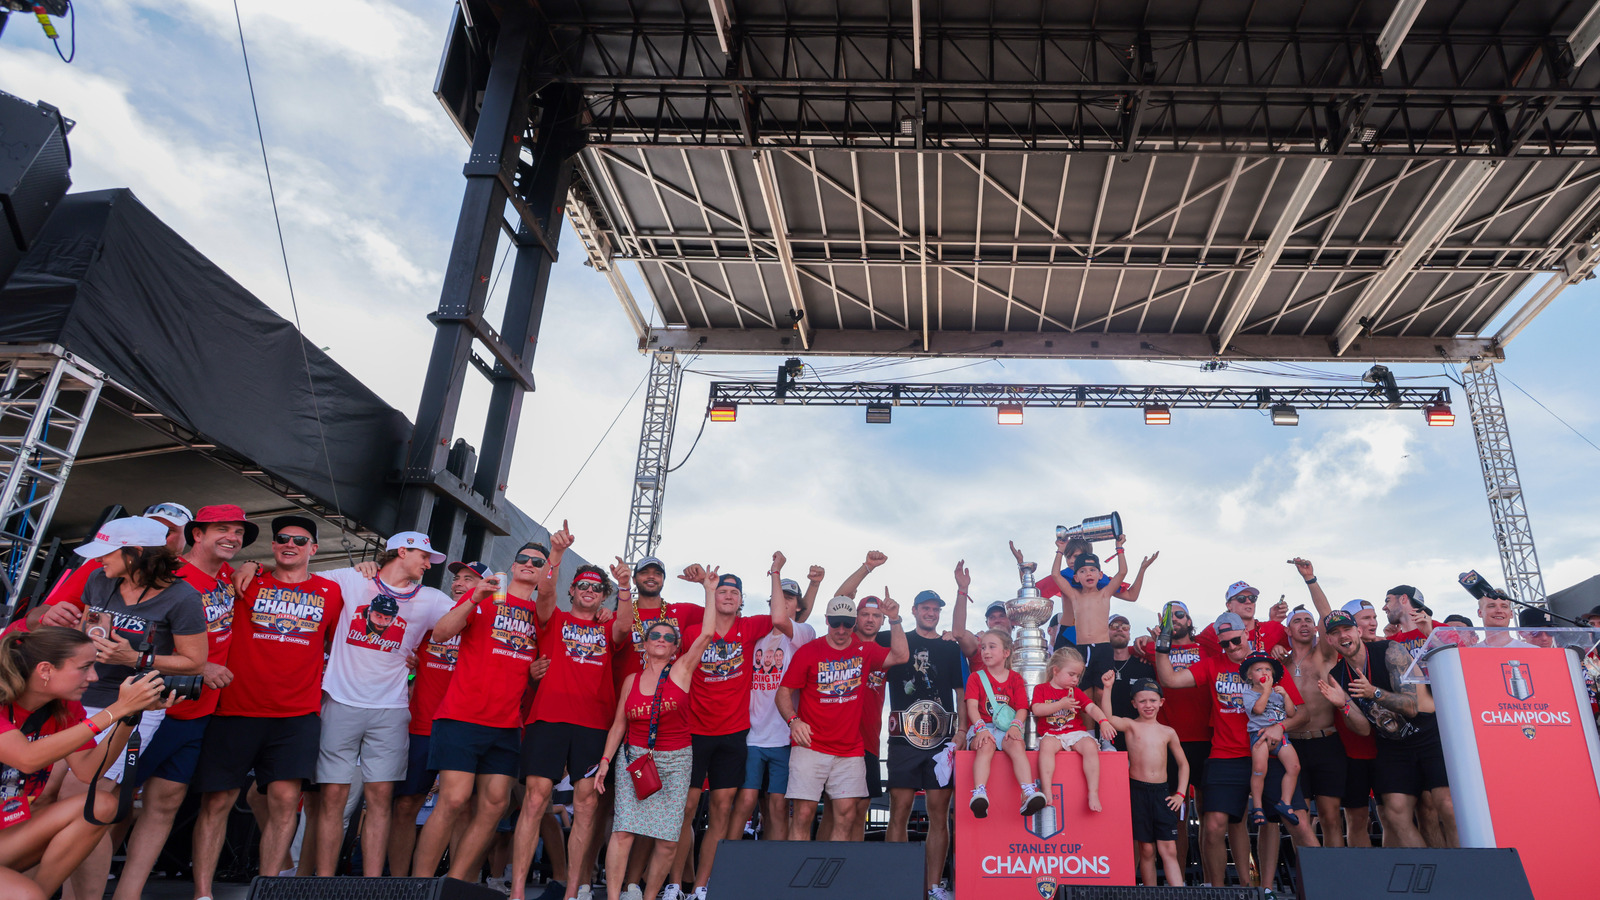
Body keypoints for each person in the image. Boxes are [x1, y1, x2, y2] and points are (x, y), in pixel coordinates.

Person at [250, 529, 454, 877]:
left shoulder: (433, 599)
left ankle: (371, 886)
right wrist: (254, 565)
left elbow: (465, 626)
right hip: (340, 702)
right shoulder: (349, 579)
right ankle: (324, 882)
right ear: (401, 552)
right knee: (331, 799)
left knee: (379, 802)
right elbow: (294, 576)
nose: (428, 564)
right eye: (424, 556)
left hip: (390, 710)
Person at [50, 516, 207, 900]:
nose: (98, 560)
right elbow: (87, 630)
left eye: (106, 553)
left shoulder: (183, 597)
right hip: (76, 698)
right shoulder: (99, 579)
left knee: (82, 802)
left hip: (133, 704)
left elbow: (195, 662)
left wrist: (137, 656)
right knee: (46, 796)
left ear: (136, 554)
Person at [189, 515, 343, 899]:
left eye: (299, 539)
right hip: (236, 709)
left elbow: (344, 643)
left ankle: (268, 888)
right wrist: (250, 564)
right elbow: (203, 564)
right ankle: (203, 893)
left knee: (286, 801)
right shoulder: (244, 580)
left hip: (296, 715)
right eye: (282, 539)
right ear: (273, 546)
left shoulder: (331, 591)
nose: (289, 544)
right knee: (218, 801)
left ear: (314, 549)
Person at [114, 504, 254, 900]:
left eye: (239, 533)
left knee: (165, 805)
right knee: (112, 807)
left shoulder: (228, 575)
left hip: (197, 715)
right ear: (197, 534)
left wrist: (252, 566)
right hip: (152, 709)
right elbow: (137, 632)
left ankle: (129, 894)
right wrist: (200, 663)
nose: (232, 538)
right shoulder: (168, 575)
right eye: (222, 529)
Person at [413, 541, 554, 883]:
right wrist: (474, 598)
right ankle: (419, 885)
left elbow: (537, 668)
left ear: (544, 573)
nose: (529, 564)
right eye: (523, 558)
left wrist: (534, 677)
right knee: (454, 799)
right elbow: (442, 635)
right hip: (463, 714)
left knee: (493, 807)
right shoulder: (485, 596)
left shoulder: (541, 615)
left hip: (506, 723)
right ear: (513, 563)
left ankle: (456, 884)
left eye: (538, 562)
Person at [0, 628, 170, 900]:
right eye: (85, 668)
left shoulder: (61, 708)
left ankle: (39, 893)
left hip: (8, 835)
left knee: (100, 805)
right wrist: (114, 710)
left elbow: (89, 771)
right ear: (45, 670)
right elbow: (26, 758)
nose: (93, 677)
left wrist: (128, 716)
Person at [1153, 612, 1318, 891]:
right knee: (1214, 824)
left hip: (1270, 751)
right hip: (1226, 754)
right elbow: (1169, 679)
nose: (1231, 647)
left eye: (1236, 640)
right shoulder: (1213, 664)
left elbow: (1302, 714)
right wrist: (1162, 646)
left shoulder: (1270, 665)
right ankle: (1219, 892)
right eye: (1225, 643)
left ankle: (1327, 889)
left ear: (1247, 634)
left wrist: (1281, 726)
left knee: (1299, 823)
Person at [670, 556, 796, 900]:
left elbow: (778, 617)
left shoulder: (751, 627)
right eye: (722, 591)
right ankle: (674, 884)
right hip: (694, 731)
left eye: (733, 592)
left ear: (742, 600)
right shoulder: (695, 632)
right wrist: (704, 588)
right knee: (686, 810)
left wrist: (774, 572)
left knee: (722, 811)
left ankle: (701, 887)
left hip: (734, 733)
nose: (727, 596)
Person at [512, 525, 617, 900]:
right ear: (572, 590)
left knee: (587, 805)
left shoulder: (609, 627)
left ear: (604, 596)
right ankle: (519, 891)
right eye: (583, 586)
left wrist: (624, 588)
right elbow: (544, 591)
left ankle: (573, 892)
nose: (588, 591)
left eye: (596, 588)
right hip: (548, 718)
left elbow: (627, 627)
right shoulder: (553, 619)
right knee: (536, 799)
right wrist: (555, 554)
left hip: (593, 725)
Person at [595, 616, 714, 900]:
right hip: (635, 760)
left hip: (676, 761)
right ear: (645, 644)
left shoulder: (682, 670)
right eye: (655, 635)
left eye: (669, 637)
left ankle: (649, 897)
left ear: (676, 648)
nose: (662, 639)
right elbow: (619, 725)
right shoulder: (631, 680)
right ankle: (613, 897)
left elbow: (707, 633)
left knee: (667, 840)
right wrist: (605, 762)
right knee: (623, 832)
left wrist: (709, 590)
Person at [776, 592, 905, 841]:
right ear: (827, 620)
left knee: (846, 815)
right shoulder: (809, 651)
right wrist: (793, 720)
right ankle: (796, 876)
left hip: (849, 750)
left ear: (853, 623)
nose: (842, 629)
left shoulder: (865, 650)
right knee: (803, 814)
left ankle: (833, 877)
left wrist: (895, 619)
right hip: (810, 745)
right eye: (836, 623)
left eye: (847, 623)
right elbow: (783, 693)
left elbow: (900, 656)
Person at [1322, 608, 1456, 848]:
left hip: (1428, 736)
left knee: (1446, 805)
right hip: (1392, 746)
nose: (1343, 636)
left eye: (1347, 629)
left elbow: (1413, 706)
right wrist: (1344, 705)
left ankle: (1464, 871)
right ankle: (1432, 872)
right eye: (1335, 632)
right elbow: (1363, 729)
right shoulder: (1338, 675)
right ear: (1330, 640)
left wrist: (1373, 692)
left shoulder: (1389, 651)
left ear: (1358, 631)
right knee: (1394, 814)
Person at [882, 565, 970, 900]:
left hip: (941, 740)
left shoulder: (950, 647)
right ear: (915, 611)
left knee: (938, 812)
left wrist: (961, 731)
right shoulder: (896, 639)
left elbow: (962, 693)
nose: (931, 613)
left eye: (936, 609)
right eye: (926, 608)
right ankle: (897, 884)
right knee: (899, 808)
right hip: (903, 738)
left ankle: (934, 886)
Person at [389, 560, 480, 876]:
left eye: (470, 579)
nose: (459, 583)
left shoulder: (488, 623)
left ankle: (456, 884)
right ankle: (401, 884)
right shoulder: (431, 617)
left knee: (463, 808)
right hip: (423, 725)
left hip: (463, 728)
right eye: (457, 578)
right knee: (405, 805)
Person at [733, 570, 816, 843]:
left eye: (789, 598)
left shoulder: (803, 633)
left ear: (799, 606)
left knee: (777, 806)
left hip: (783, 737)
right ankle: (723, 865)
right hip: (751, 734)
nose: (782, 602)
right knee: (745, 803)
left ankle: (774, 871)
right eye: (778, 598)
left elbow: (782, 620)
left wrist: (777, 570)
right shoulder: (758, 635)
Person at [1279, 559, 1352, 847]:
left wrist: (1310, 579)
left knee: (1331, 816)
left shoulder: (1323, 655)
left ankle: (1334, 882)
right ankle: (1309, 882)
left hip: (1326, 742)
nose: (1305, 624)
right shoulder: (1278, 663)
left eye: (1308, 620)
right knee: (1298, 818)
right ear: (1288, 630)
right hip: (1292, 745)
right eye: (1297, 620)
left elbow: (1327, 616)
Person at [28, 503, 193, 624]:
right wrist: (49, 617)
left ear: (190, 535)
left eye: (167, 531)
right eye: (149, 529)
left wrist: (133, 657)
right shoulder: (100, 570)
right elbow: (36, 617)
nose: (157, 537)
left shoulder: (188, 585)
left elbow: (193, 656)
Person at [1104, 680, 1188, 888]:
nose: (1148, 705)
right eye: (1142, 701)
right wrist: (1107, 688)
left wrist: (1180, 794)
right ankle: (1149, 893)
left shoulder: (1168, 732)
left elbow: (1183, 764)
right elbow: (1108, 717)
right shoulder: (1131, 725)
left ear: (1162, 702)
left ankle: (1179, 892)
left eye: (1152, 700)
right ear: (1134, 704)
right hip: (1138, 791)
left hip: (1162, 793)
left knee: (1169, 848)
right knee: (1147, 849)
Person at [964, 629, 1045, 818]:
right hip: (982, 726)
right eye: (983, 647)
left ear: (1006, 652)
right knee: (986, 745)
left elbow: (1022, 707)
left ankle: (1027, 791)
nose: (986, 651)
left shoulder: (1015, 678)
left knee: (1017, 745)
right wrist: (980, 729)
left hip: (1008, 727)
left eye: (992, 647)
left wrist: (1016, 726)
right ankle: (979, 792)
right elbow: (972, 707)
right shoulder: (976, 677)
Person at [1030, 647, 1115, 812]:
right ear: (1056, 670)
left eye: (1078, 675)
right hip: (1052, 733)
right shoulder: (1041, 689)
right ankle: (1046, 790)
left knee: (1090, 746)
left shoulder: (1075, 692)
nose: (1076, 679)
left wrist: (1103, 720)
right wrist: (1061, 704)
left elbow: (1091, 708)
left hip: (1074, 732)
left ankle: (1093, 792)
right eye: (1072, 674)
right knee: (1046, 746)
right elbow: (1037, 710)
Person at [1081, 612, 1155, 749]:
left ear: (1130, 634)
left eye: (1125, 627)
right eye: (1114, 626)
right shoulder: (1095, 666)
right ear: (1104, 632)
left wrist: (1149, 640)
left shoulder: (1143, 665)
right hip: (1102, 740)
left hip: (1135, 740)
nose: (1120, 629)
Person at [1242, 654, 1301, 826]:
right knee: (1259, 769)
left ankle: (1285, 802)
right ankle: (1258, 806)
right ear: (1250, 675)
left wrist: (1286, 696)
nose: (1264, 672)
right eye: (1259, 669)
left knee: (1294, 766)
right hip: (1259, 736)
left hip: (1281, 736)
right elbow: (1258, 709)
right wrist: (1267, 690)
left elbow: (1291, 714)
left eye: (1268, 669)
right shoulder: (1249, 693)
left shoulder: (1278, 693)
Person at [1048, 541, 1130, 646]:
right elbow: (1047, 581)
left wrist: (1120, 548)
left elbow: (1131, 593)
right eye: (1068, 557)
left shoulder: (1103, 586)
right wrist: (1060, 550)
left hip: (1095, 640)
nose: (1072, 560)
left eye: (1077, 557)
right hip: (1069, 631)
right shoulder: (1066, 580)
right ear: (1076, 577)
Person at [1195, 582, 1290, 659]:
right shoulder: (1214, 630)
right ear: (1229, 605)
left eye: (1252, 598)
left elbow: (1303, 640)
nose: (1248, 601)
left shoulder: (1272, 628)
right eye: (1241, 599)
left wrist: (1305, 577)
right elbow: (1185, 642)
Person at [1385, 586, 1440, 657]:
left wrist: (1430, 634)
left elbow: (1455, 658)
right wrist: (1386, 639)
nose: (1384, 608)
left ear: (1403, 599)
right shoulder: (1391, 640)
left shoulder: (1441, 629)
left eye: (1388, 601)